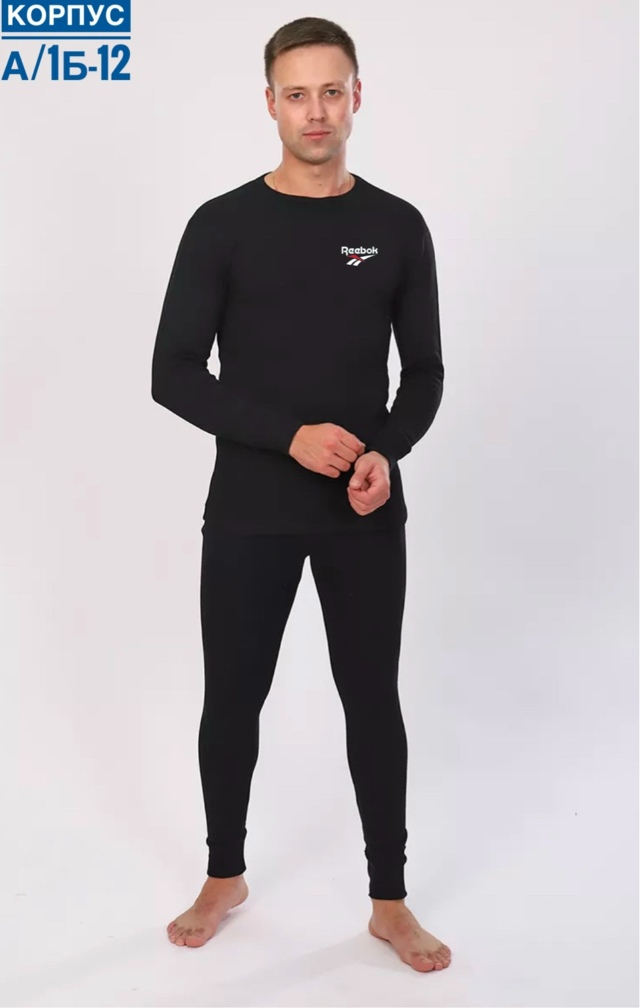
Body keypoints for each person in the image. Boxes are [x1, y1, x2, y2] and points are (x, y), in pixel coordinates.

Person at [151, 16, 450, 973]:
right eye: (296, 93)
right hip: (250, 508)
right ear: (270, 103)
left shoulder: (397, 226)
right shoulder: (222, 225)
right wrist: (288, 437)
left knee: (373, 701)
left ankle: (389, 902)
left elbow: (425, 372)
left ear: (357, 98)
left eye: (331, 91)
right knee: (233, 698)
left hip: (363, 509)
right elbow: (172, 374)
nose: (315, 111)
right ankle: (223, 874)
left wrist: (386, 453)